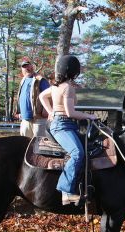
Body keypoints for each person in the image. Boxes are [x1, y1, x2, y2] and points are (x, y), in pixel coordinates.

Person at [39, 55, 97, 205]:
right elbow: (70, 113)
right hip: (63, 125)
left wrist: (51, 111)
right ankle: (66, 191)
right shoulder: (68, 88)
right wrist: (89, 116)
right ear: (74, 72)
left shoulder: (56, 87)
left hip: (64, 123)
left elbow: (41, 97)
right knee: (78, 153)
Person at [16, 59, 50, 137]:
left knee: (39, 144)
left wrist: (46, 110)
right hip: (25, 120)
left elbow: (49, 96)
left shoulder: (40, 80)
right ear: (22, 69)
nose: (27, 68)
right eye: (25, 67)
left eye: (29, 65)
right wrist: (19, 111)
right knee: (25, 145)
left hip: (38, 119)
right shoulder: (23, 81)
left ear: (32, 66)